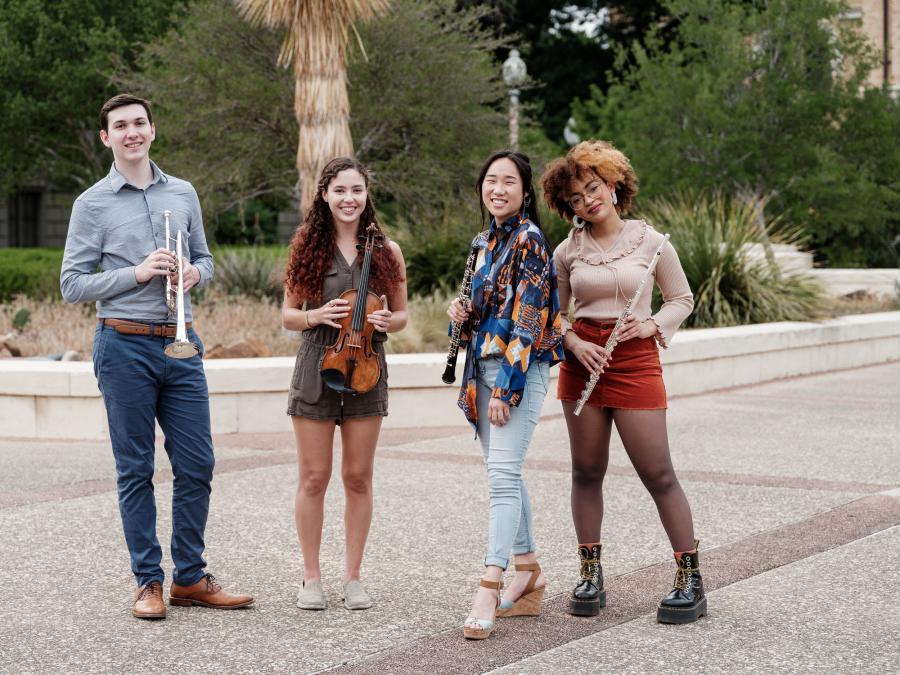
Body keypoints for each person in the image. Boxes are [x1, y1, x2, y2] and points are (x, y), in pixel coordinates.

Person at [60, 94, 253, 620]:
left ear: (152, 129)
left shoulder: (183, 193)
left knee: (198, 463)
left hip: (181, 342)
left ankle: (189, 578)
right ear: (107, 138)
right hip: (122, 343)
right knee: (135, 469)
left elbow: (206, 257)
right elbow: (72, 284)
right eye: (120, 126)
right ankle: (148, 581)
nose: (131, 133)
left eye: (139, 123)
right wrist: (138, 273)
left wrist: (195, 272)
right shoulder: (91, 203)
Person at [540, 139, 705, 624]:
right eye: (575, 198)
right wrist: (571, 342)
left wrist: (652, 325)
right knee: (586, 472)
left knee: (658, 473)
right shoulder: (567, 251)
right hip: (583, 362)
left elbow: (682, 298)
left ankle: (690, 579)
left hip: (634, 360)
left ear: (613, 185)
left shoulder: (653, 242)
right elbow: (553, 315)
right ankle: (590, 574)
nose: (587, 201)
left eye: (592, 188)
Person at [282, 156, 408, 611]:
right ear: (324, 195)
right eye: (340, 191)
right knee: (314, 477)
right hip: (318, 361)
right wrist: (316, 315)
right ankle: (311, 578)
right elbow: (288, 314)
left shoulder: (387, 252)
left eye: (356, 191)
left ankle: (353, 577)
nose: (349, 199)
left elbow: (403, 314)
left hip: (368, 367)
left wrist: (387, 319)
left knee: (358, 477)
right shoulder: (307, 247)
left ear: (366, 194)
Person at [447, 150, 564, 640]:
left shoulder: (531, 241)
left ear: (525, 191)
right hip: (481, 368)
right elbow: (483, 304)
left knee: (501, 478)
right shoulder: (482, 242)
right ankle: (528, 571)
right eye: (490, 180)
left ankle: (490, 584)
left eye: (508, 181)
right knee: (506, 474)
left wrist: (507, 392)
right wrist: (460, 311)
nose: (497, 188)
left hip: (518, 371)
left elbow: (529, 318)